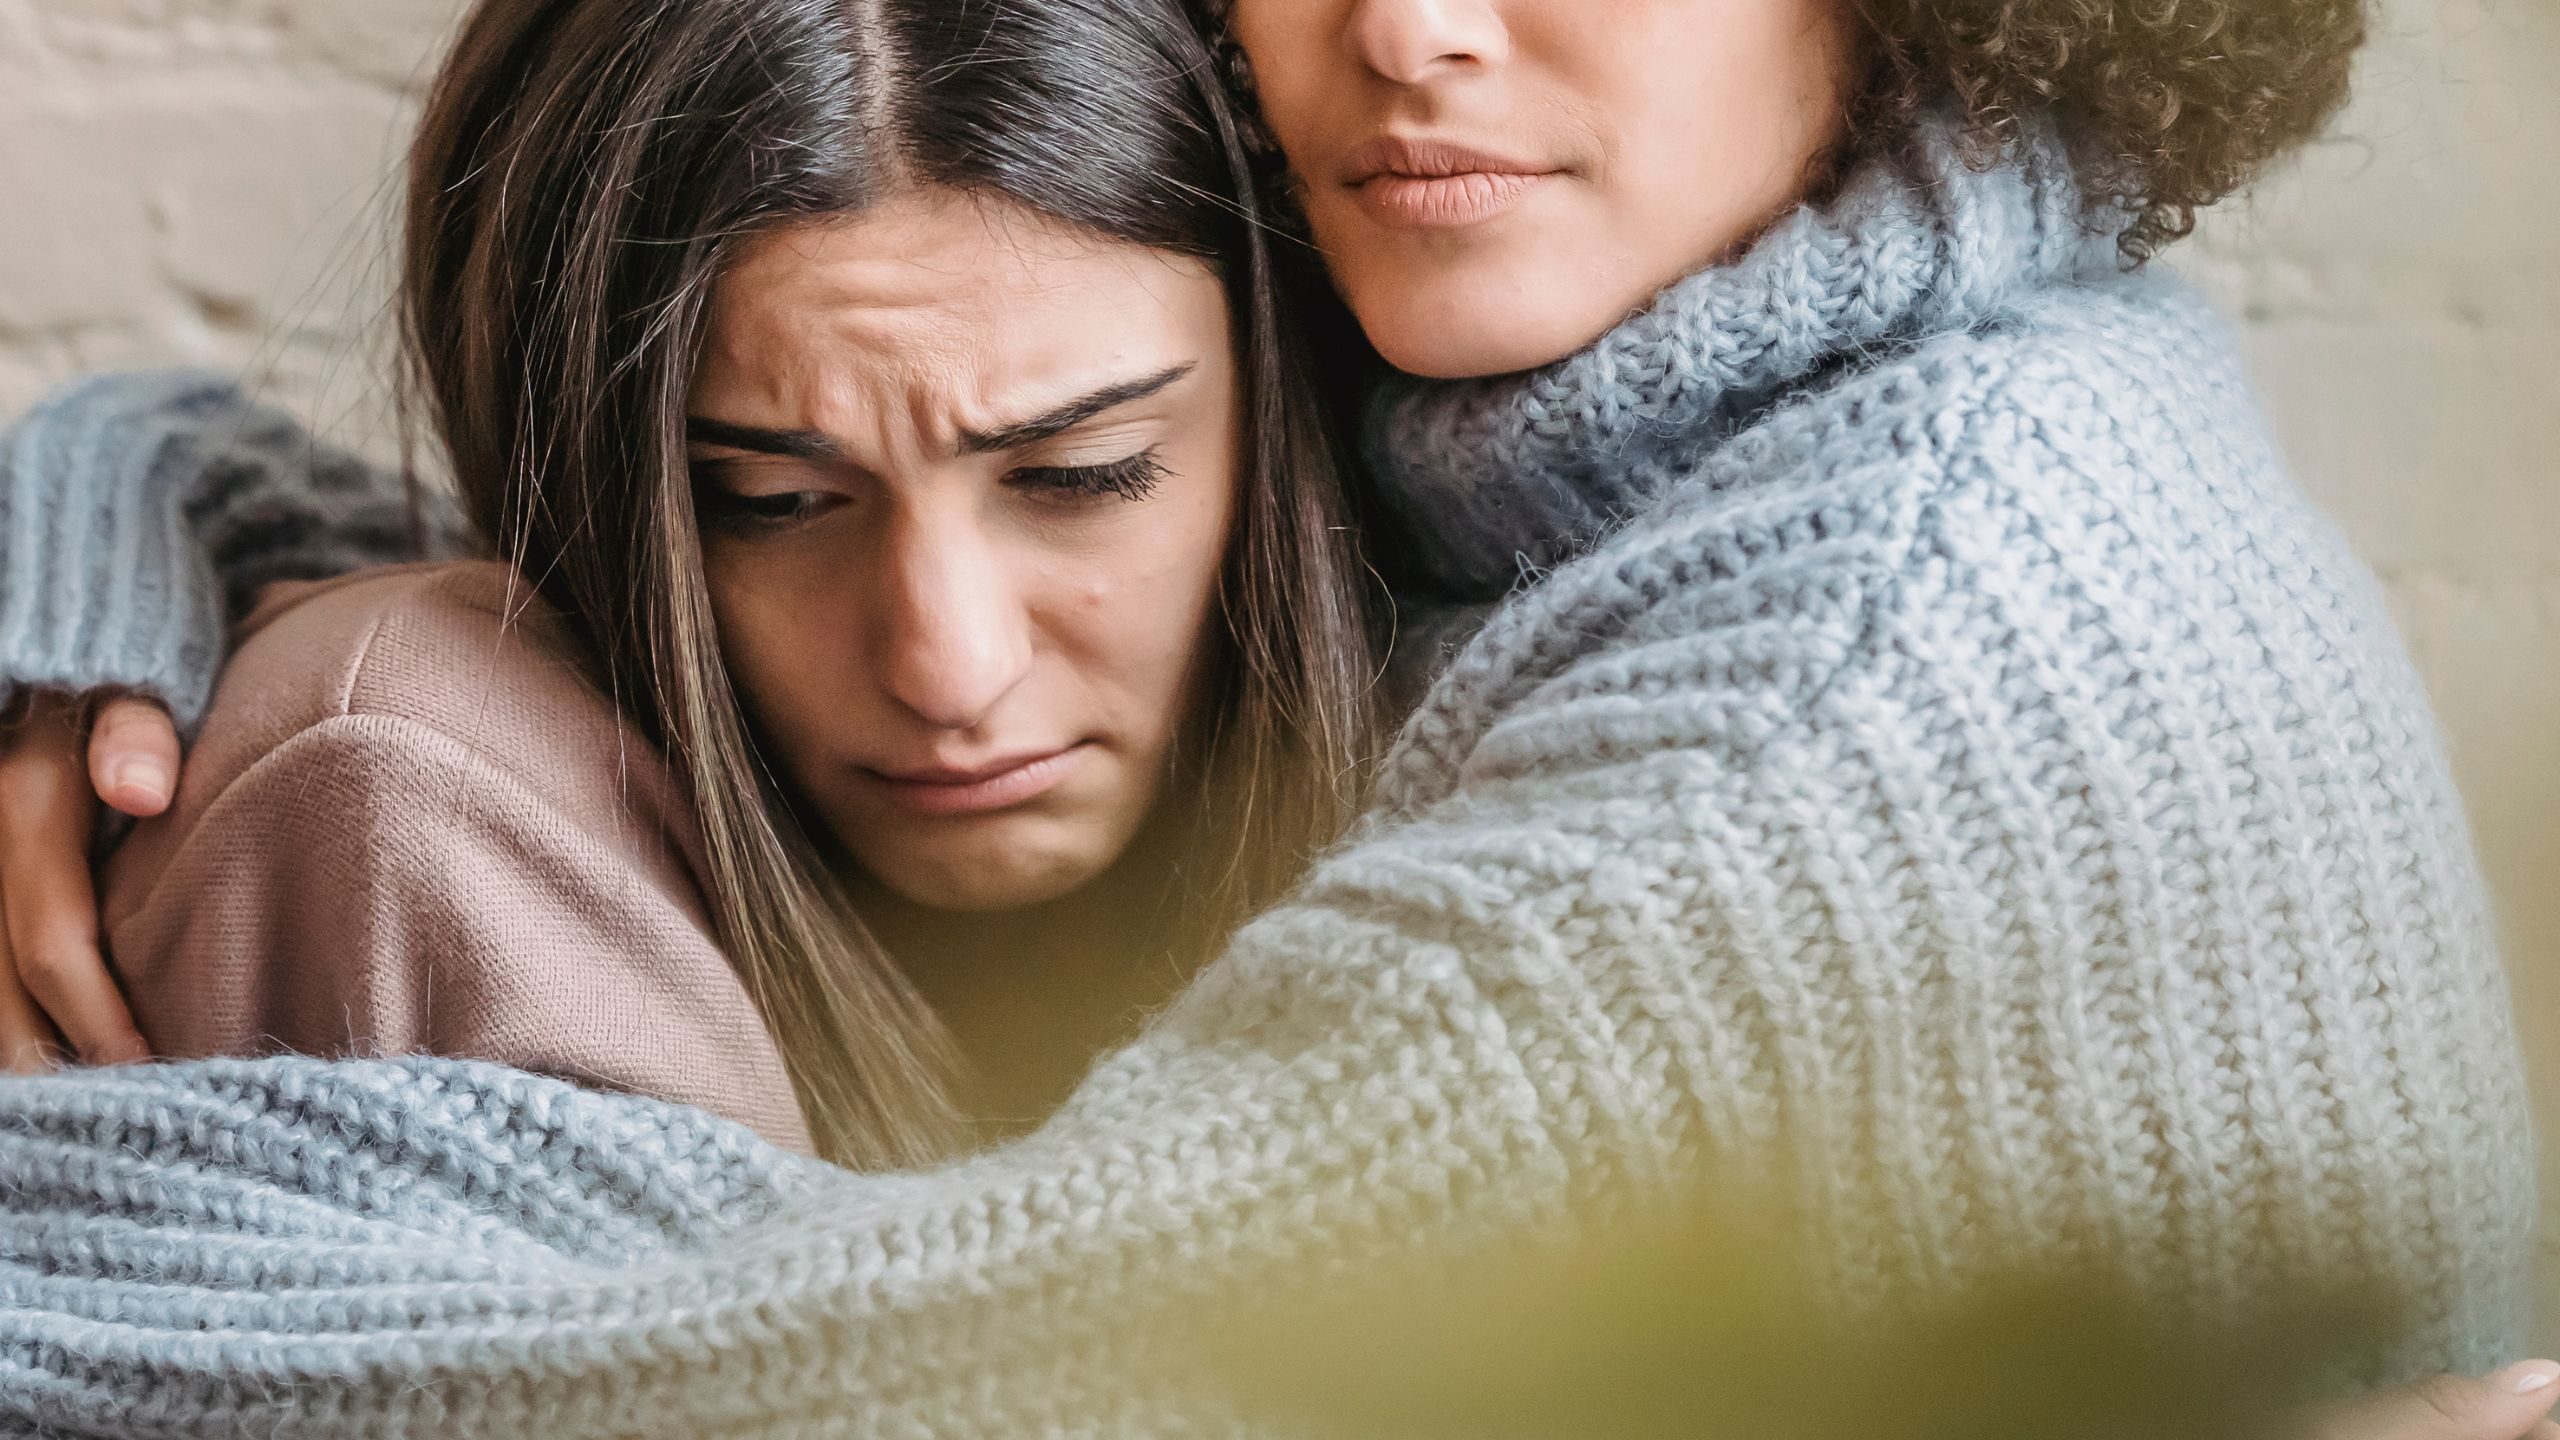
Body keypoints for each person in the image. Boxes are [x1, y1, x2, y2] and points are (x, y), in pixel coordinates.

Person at [0, 0, 2538, 1433]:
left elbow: (869, 1392)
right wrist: (133, 503)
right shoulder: (1584, 364)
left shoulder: (1824, 680)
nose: (1413, 32)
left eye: (1091, 472)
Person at [0, 0, 1377, 1165]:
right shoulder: (402, 780)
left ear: (1296, 392)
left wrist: (150, 493)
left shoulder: (1521, 692)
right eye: (771, 505)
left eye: (1082, 477)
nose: (948, 669)